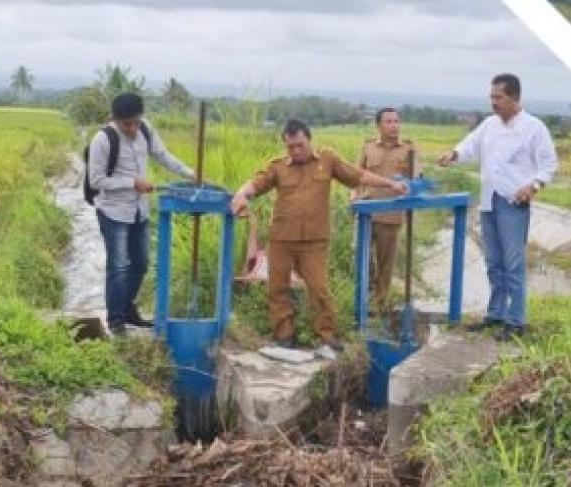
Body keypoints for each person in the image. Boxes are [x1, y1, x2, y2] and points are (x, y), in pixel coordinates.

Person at [231, 119, 408, 351]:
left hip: (314, 241)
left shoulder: (328, 160)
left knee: (319, 289)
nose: (295, 151)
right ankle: (284, 335)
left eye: (300, 145)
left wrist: (390, 184)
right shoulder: (278, 167)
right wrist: (241, 195)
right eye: (290, 147)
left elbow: (358, 176)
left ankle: (326, 335)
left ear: (309, 140)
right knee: (277, 289)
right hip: (282, 239)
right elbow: (255, 184)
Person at [436, 73, 558, 341]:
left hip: (513, 203)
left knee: (513, 264)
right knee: (493, 263)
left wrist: (534, 185)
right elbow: (470, 146)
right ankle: (495, 315)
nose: (493, 102)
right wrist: (454, 154)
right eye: (491, 97)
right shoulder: (489, 125)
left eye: (498, 97)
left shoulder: (534, 128)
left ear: (514, 97)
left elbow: (549, 165)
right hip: (489, 201)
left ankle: (516, 322)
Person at [88, 92, 195, 336]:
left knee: (141, 263)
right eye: (127, 124)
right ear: (114, 119)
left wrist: (190, 174)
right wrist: (131, 182)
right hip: (113, 211)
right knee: (117, 267)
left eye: (136, 121)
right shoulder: (103, 140)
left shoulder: (145, 129)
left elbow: (163, 155)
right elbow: (96, 180)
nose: (133, 128)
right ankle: (116, 321)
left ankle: (127, 309)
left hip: (139, 210)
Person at [352, 108, 417, 316]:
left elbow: (416, 175)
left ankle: (378, 306)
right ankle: (363, 298)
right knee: (361, 256)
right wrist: (353, 194)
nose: (394, 125)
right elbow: (355, 175)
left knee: (385, 263)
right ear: (379, 125)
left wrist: (412, 185)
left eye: (397, 121)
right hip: (366, 212)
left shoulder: (408, 150)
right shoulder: (368, 147)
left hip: (391, 214)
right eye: (388, 122)